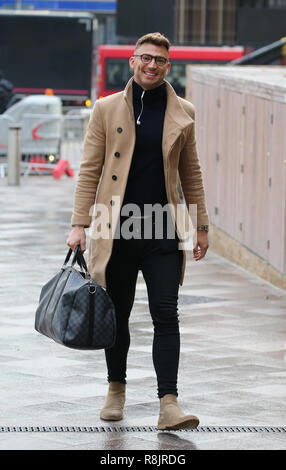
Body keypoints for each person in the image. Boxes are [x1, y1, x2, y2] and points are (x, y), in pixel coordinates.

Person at [67, 32, 209, 431]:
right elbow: (89, 170)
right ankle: (116, 389)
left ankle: (169, 403)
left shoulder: (184, 111)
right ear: (132, 61)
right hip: (115, 227)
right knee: (118, 313)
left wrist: (200, 227)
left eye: (159, 61)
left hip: (163, 227)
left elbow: (191, 173)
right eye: (145, 58)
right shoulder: (107, 108)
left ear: (168, 66)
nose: (151, 65)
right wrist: (79, 225)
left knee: (167, 313)